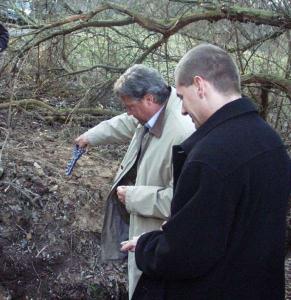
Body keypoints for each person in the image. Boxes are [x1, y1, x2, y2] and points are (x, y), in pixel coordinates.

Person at [122, 44, 291, 300]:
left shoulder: (210, 155)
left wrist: (148, 245)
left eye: (181, 96)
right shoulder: (271, 142)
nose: (182, 109)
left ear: (200, 85)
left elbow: (185, 256)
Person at [75, 64, 194, 299]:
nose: (128, 112)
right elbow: (125, 123)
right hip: (143, 234)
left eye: (130, 106)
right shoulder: (153, 112)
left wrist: (133, 197)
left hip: (159, 242)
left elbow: (184, 203)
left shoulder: (181, 135)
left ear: (149, 98)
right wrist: (90, 137)